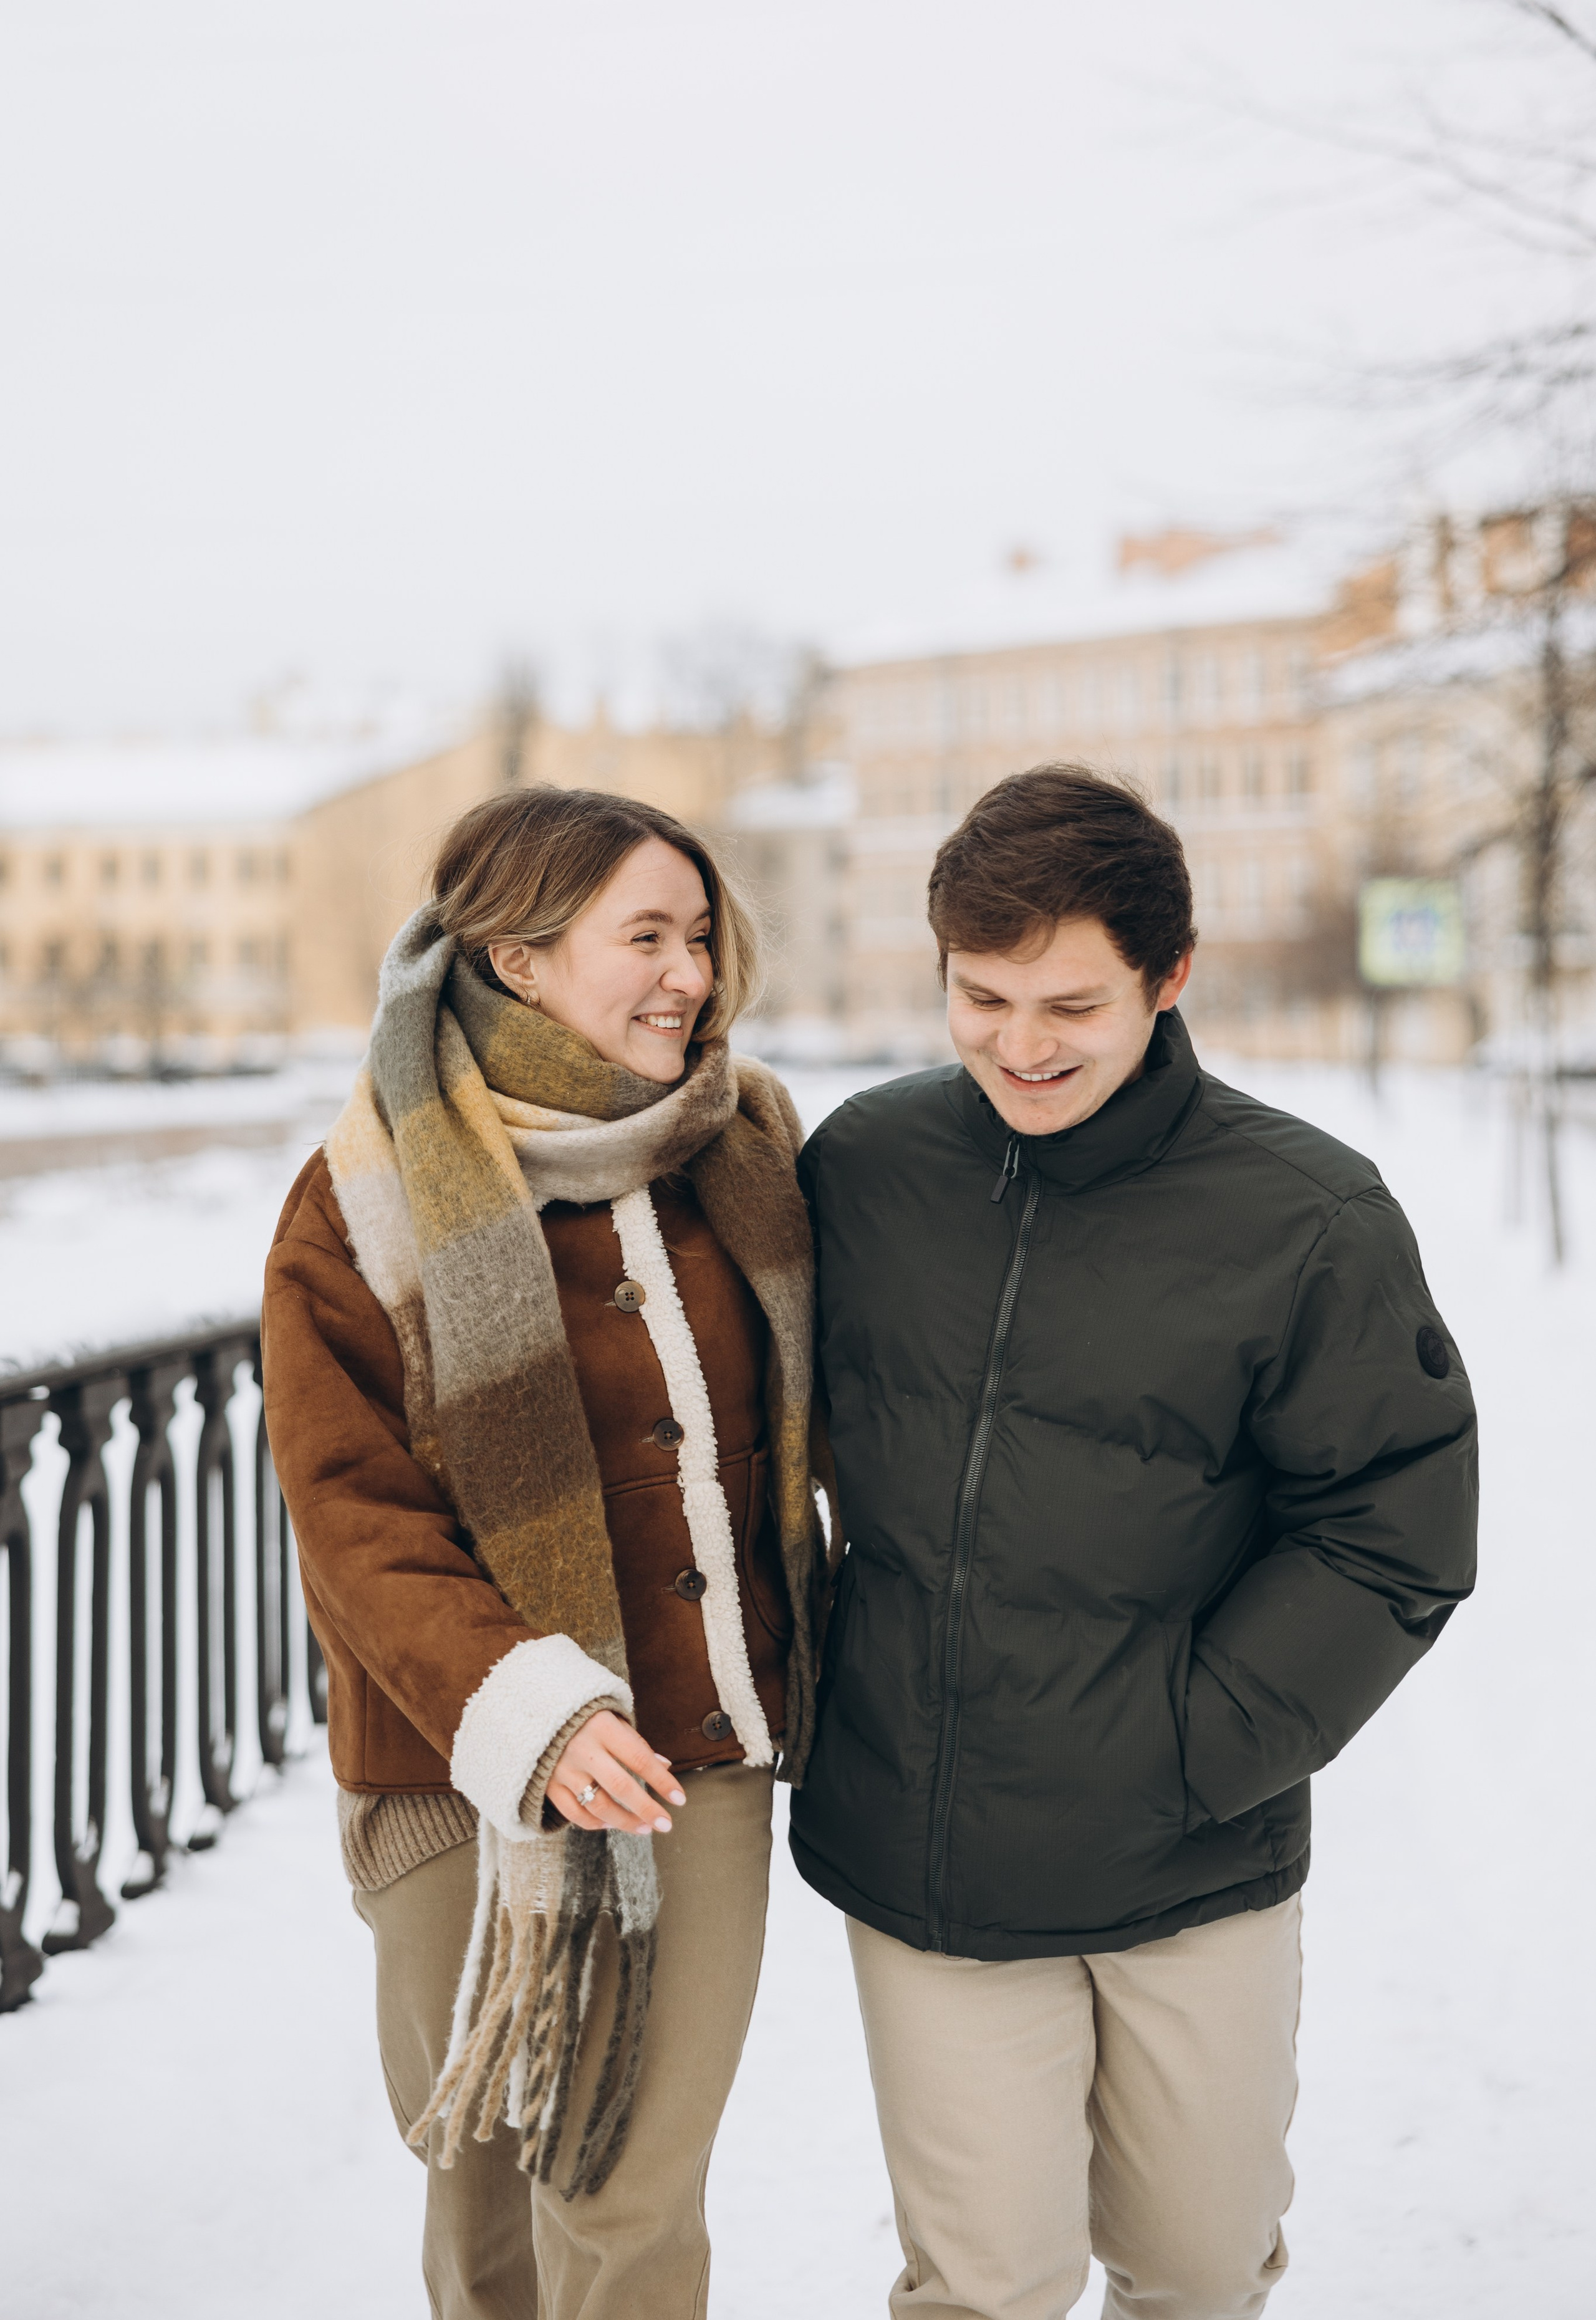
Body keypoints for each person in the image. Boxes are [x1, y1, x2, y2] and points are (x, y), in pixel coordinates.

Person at [791, 763, 1478, 2320]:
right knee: (981, 2286)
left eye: (1069, 1006)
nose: (1018, 1047)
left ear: (1167, 982)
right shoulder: (863, 1168)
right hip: (932, 1847)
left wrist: (1191, 1747)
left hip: (1189, 1854)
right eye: (980, 997)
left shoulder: (1303, 1215)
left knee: (1193, 2266)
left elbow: (1395, 1526)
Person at [261, 784, 829, 2320]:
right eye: (642, 937)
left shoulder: (746, 1147)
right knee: (488, 2201)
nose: (689, 975)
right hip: (458, 1773)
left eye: (699, 936)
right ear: (517, 958)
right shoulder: (362, 1193)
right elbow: (345, 1503)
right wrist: (528, 1702)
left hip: (691, 1758)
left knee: (634, 2203)